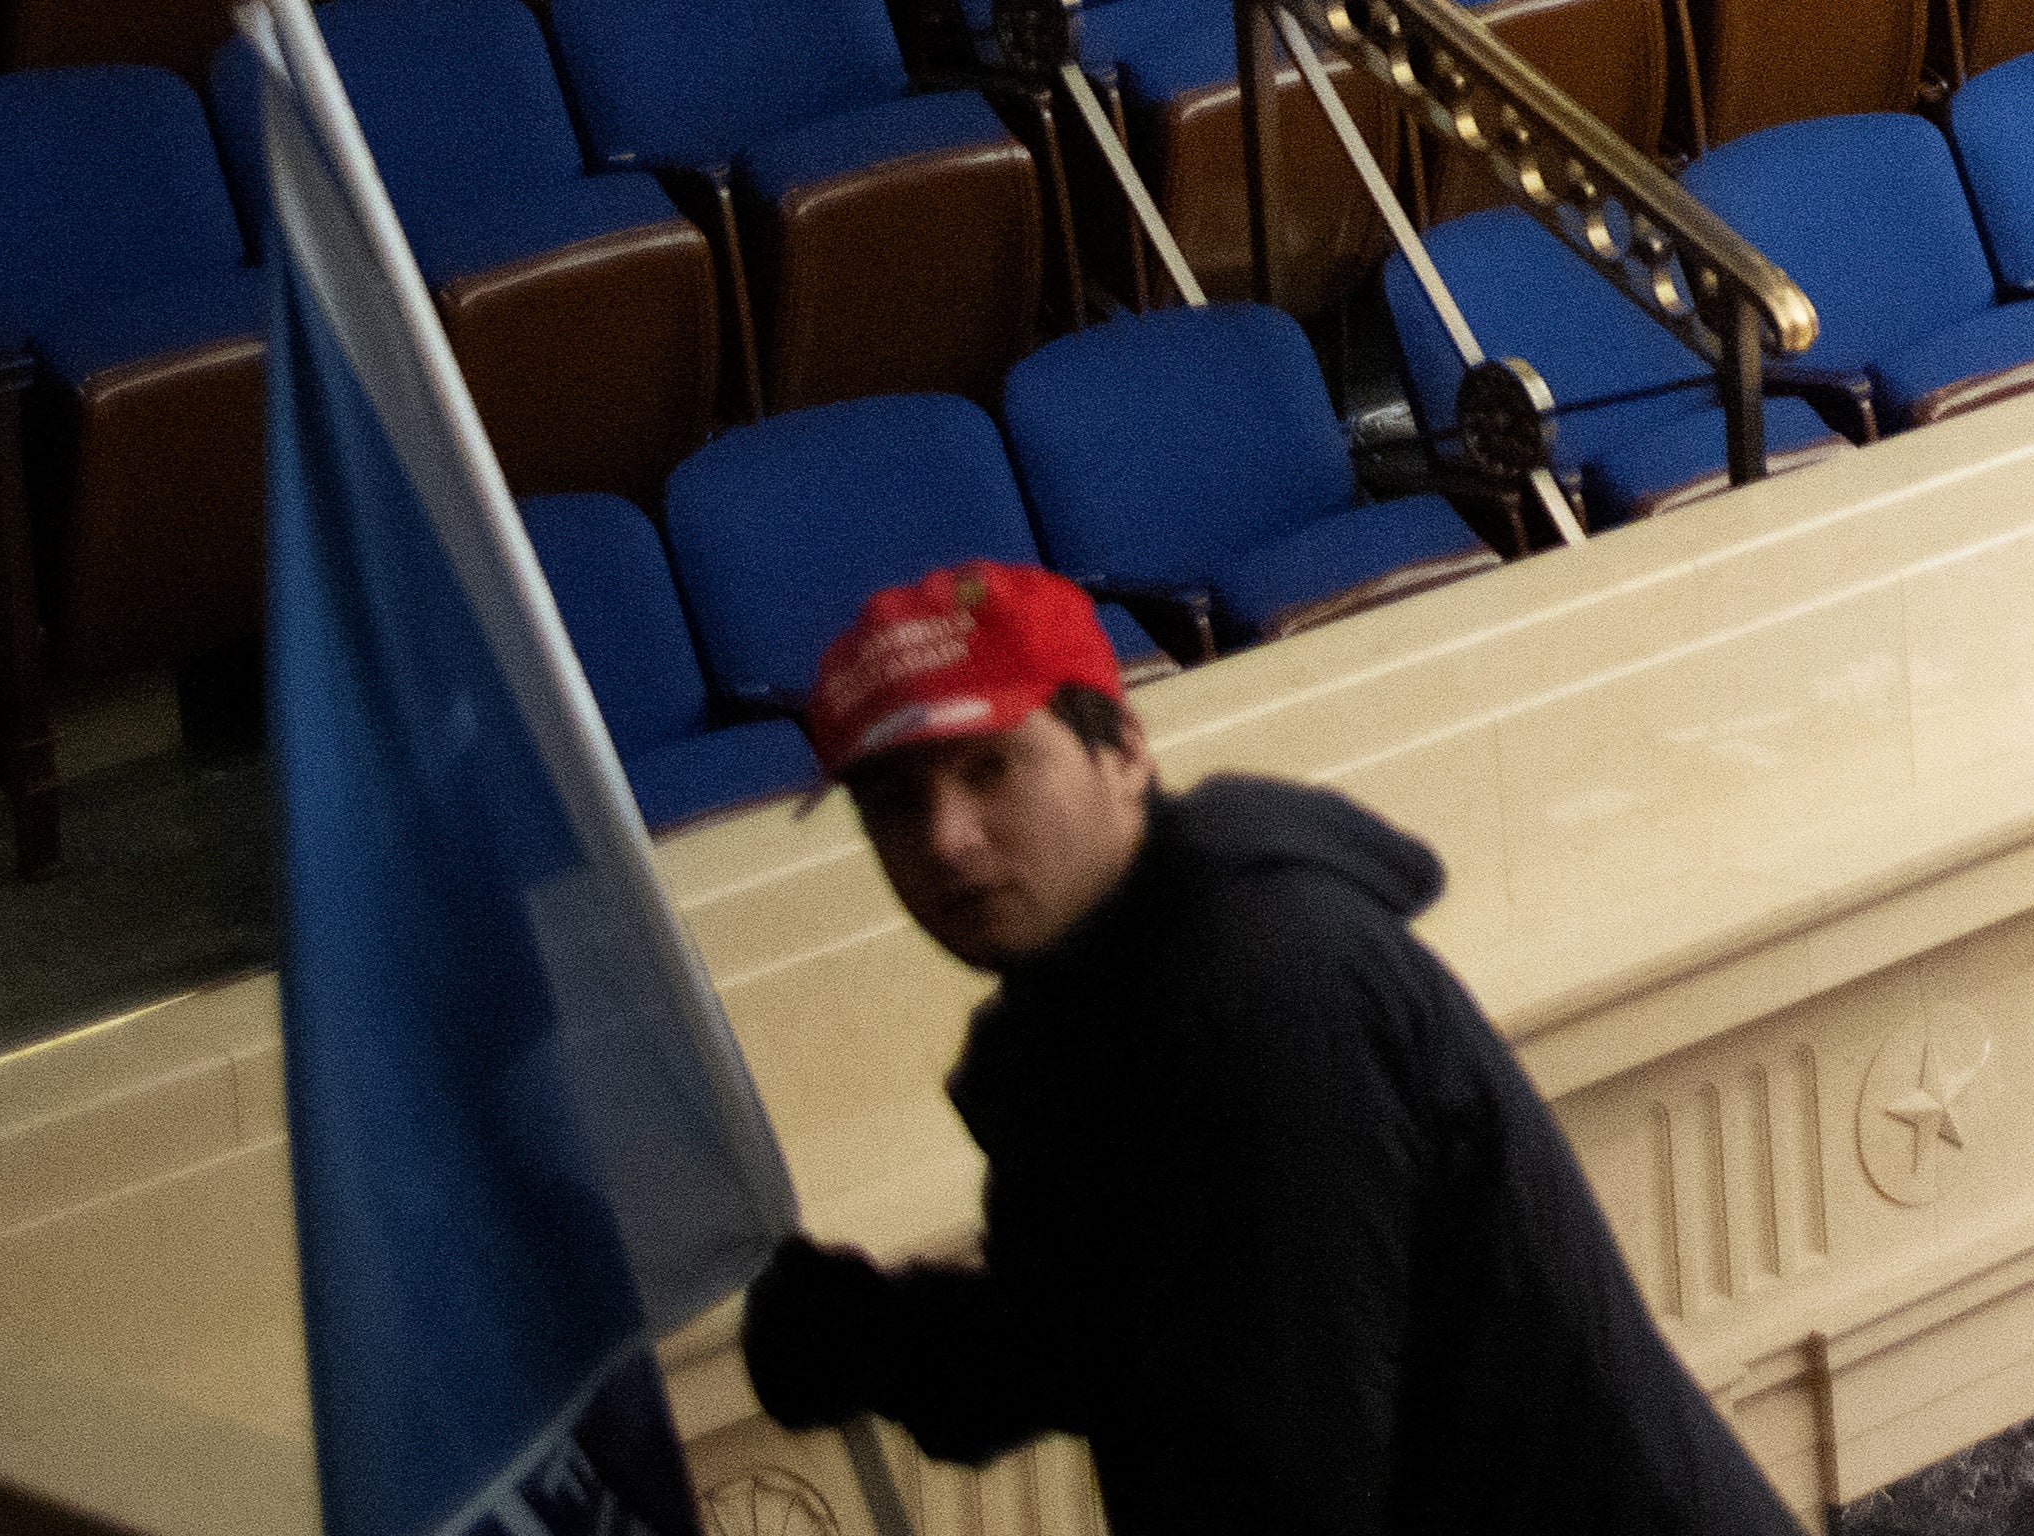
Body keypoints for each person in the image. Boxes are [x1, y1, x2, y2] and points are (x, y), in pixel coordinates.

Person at [736, 557, 1799, 1536]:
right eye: (893, 801)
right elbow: (1100, 1337)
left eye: (990, 768)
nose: (945, 837)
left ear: (1123, 749)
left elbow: (1273, 1473)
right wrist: (879, 1341)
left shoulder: (1264, 986)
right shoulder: (1080, 1011)